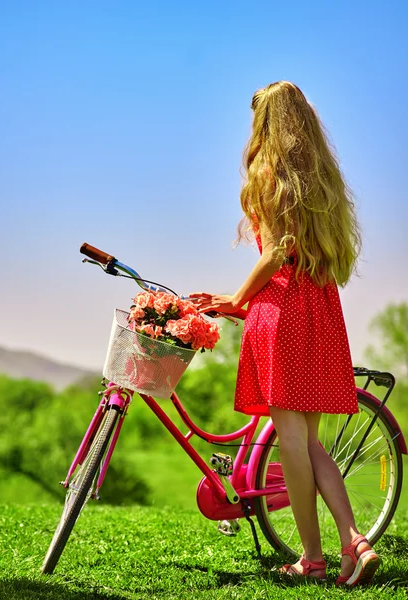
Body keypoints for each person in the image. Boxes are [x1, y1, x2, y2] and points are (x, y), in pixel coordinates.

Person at [190, 81, 380, 586]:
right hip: (320, 306)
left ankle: (313, 559)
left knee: (292, 439)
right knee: (311, 442)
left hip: (283, 308)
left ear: (265, 122)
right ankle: (354, 541)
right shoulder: (321, 179)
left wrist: (236, 299)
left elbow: (273, 253)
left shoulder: (266, 171)